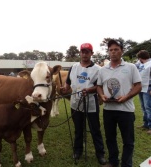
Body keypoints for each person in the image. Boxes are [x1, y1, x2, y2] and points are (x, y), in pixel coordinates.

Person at [97, 39, 142, 167]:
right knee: (110, 138)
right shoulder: (103, 70)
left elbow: (138, 86)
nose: (113, 52)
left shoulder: (131, 67)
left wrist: (126, 97)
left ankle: (126, 164)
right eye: (110, 50)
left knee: (128, 141)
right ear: (108, 52)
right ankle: (113, 162)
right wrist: (101, 95)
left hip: (126, 110)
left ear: (122, 51)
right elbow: (99, 86)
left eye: (116, 49)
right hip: (108, 109)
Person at [61, 43, 106, 165]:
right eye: (83, 51)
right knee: (78, 129)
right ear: (80, 53)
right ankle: (78, 150)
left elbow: (100, 86)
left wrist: (90, 89)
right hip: (75, 102)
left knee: (95, 129)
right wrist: (65, 89)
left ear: (91, 53)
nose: (85, 54)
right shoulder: (74, 67)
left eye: (87, 52)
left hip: (91, 103)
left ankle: (100, 153)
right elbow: (68, 83)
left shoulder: (98, 69)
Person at [135, 50, 151, 134]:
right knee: (143, 107)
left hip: (148, 87)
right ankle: (146, 124)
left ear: (141, 58)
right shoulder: (140, 63)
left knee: (148, 108)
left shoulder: (150, 64)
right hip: (141, 87)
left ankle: (150, 126)